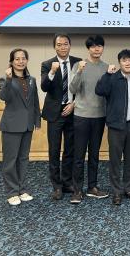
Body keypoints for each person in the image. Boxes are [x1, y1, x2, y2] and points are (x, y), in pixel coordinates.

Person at [95, 49, 130, 205]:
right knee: (115, 160)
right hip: (116, 126)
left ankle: (129, 188)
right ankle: (117, 191)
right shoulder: (112, 78)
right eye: (124, 60)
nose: (127, 63)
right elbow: (100, 91)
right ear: (119, 62)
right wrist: (107, 74)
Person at [68, 35, 110, 204]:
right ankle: (77, 190)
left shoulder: (107, 68)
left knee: (94, 154)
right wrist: (79, 71)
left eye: (99, 46)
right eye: (93, 46)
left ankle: (92, 187)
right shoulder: (79, 65)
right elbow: (72, 89)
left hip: (99, 116)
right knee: (79, 155)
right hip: (81, 116)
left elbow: (110, 91)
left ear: (103, 48)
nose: (96, 49)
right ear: (88, 49)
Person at [41, 33, 81, 200]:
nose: (63, 47)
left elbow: (83, 88)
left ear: (70, 45)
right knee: (54, 150)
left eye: (65, 44)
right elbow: (44, 87)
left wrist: (74, 104)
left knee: (70, 149)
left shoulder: (78, 63)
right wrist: (52, 71)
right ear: (54, 47)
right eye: (59, 44)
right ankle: (56, 186)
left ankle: (67, 182)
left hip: (73, 111)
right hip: (55, 113)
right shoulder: (47, 64)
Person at [0, 48, 41, 206]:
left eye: (23, 58)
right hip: (11, 125)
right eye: (17, 59)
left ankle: (22, 189)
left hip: (28, 125)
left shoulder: (32, 80)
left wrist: (37, 121)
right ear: (11, 62)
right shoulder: (5, 80)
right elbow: (4, 97)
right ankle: (11, 191)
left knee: (23, 159)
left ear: (27, 61)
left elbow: (35, 101)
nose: (20, 61)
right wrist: (9, 80)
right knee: (10, 160)